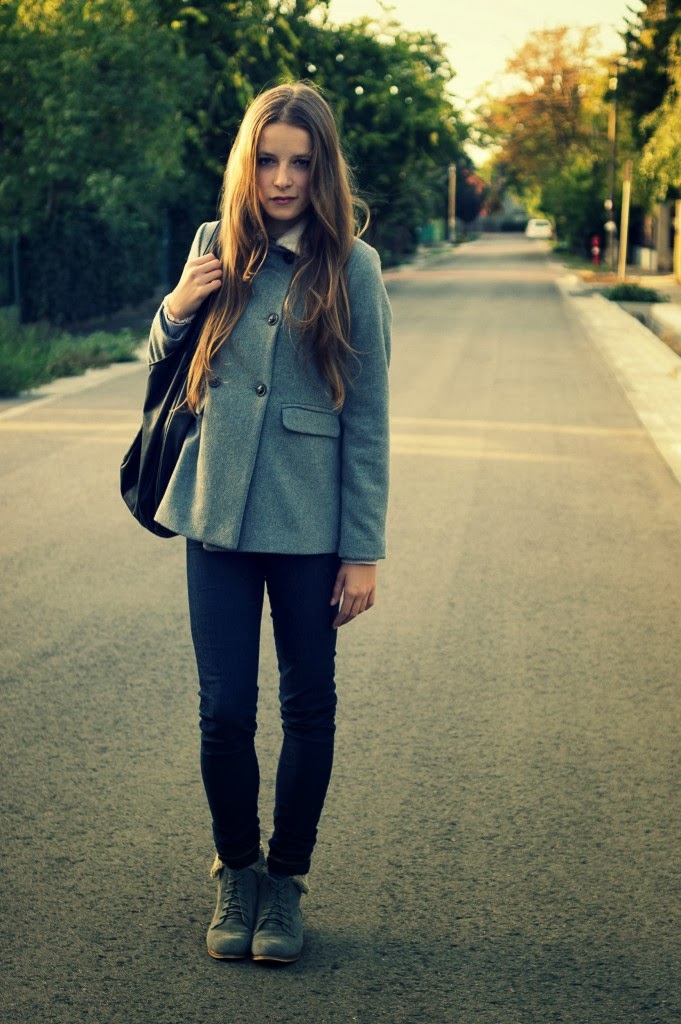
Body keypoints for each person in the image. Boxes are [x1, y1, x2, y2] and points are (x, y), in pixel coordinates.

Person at [147, 82, 391, 964]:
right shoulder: (213, 243)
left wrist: (362, 551)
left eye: (301, 162)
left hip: (308, 522)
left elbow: (368, 416)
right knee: (222, 712)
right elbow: (160, 360)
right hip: (213, 510)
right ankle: (237, 868)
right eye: (267, 160)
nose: (283, 178)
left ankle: (285, 881)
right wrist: (177, 306)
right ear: (245, 164)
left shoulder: (351, 265)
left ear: (323, 169)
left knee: (308, 705)